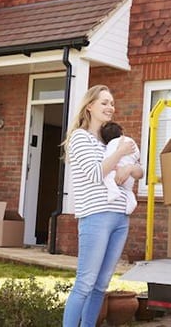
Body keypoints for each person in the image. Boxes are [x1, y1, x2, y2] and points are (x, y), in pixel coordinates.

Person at [61, 85, 144, 327]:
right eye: (104, 103)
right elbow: (97, 172)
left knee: (101, 284)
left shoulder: (111, 139)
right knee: (85, 283)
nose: (111, 107)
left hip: (120, 218)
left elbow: (139, 169)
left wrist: (129, 167)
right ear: (90, 106)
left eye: (112, 103)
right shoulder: (80, 137)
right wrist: (119, 154)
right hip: (96, 216)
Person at [101, 121, 140, 215]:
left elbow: (108, 158)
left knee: (105, 176)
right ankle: (132, 202)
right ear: (121, 132)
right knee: (128, 190)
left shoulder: (111, 144)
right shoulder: (131, 141)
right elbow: (137, 155)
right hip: (129, 177)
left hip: (116, 173)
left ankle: (113, 191)